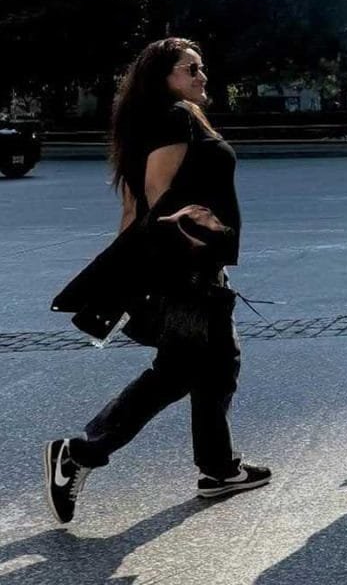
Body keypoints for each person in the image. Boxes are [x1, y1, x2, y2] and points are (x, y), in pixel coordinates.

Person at [44, 38, 270, 525]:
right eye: (191, 69)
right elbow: (155, 199)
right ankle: (80, 454)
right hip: (185, 270)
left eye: (201, 68)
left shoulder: (166, 120)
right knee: (179, 370)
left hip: (194, 265)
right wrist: (188, 238)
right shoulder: (174, 118)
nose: (202, 76)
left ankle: (218, 467)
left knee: (219, 361)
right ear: (163, 78)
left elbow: (133, 211)